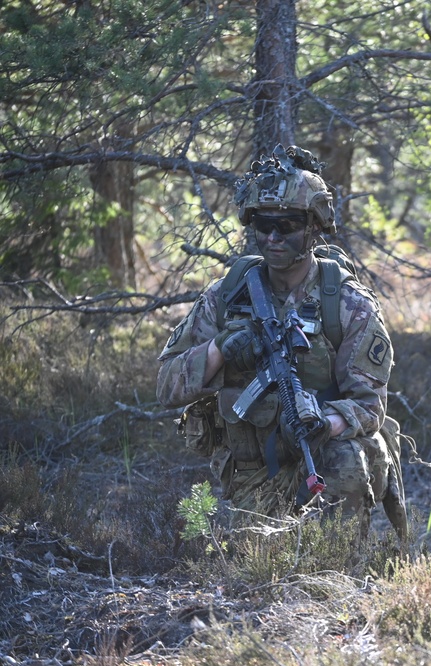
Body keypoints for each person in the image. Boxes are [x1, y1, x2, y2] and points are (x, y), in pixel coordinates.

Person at [157, 144, 407, 542]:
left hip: (320, 458)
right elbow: (167, 384)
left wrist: (325, 423)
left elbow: (370, 404)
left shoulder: (347, 305)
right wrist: (219, 348)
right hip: (250, 471)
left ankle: (340, 565)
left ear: (314, 226)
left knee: (347, 459)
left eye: (287, 225)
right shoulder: (226, 297)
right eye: (262, 225)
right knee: (246, 558)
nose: (272, 237)